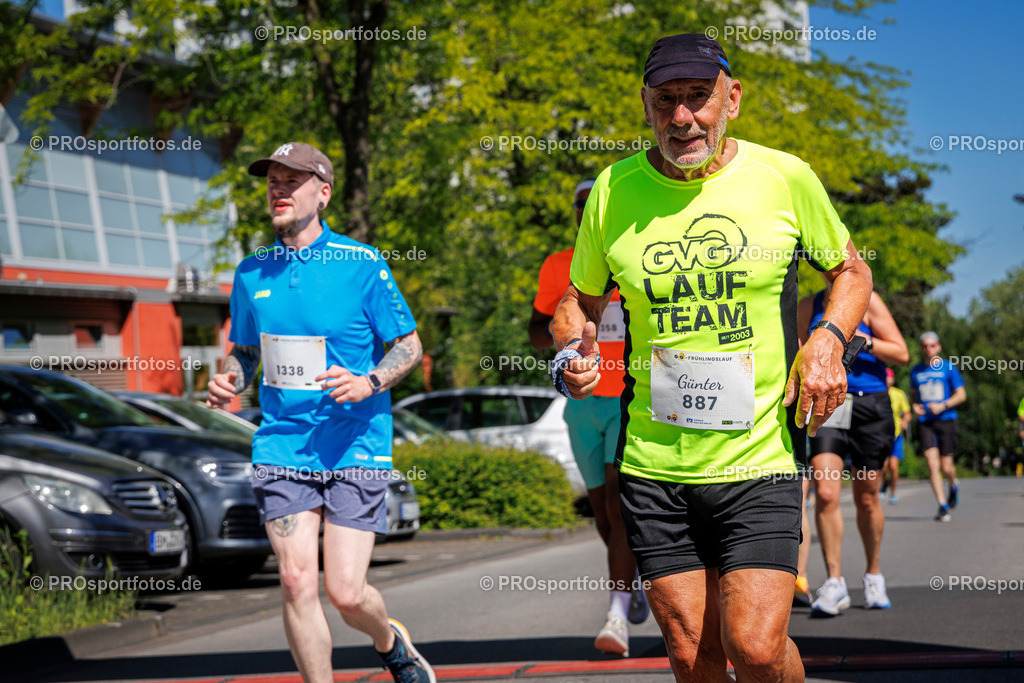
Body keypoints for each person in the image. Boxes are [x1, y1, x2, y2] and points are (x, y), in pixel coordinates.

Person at [549, 33, 873, 681]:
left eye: (698, 98)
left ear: (733, 99)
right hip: (654, 466)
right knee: (693, 654)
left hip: (758, 459)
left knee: (754, 646)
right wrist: (569, 356)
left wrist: (829, 338)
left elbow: (851, 271)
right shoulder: (614, 190)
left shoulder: (783, 176)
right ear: (645, 106)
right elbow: (573, 302)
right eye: (666, 100)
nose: (682, 117)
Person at [206, 142, 434, 683]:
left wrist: (368, 381)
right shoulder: (251, 272)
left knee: (347, 593)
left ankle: (389, 640)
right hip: (283, 445)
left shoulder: (361, 265)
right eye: (272, 181)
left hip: (355, 441)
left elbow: (409, 346)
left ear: (323, 193)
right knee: (295, 582)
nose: (278, 189)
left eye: (293, 180)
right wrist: (229, 382)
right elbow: (245, 350)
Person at [528, 179, 649, 657]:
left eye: (593, 204)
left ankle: (616, 615)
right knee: (602, 514)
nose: (586, 212)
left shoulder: (635, 253)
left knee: (620, 508)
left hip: (630, 396)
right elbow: (536, 330)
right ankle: (632, 580)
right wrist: (567, 325)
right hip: (581, 401)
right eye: (579, 205)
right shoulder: (559, 265)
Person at [798, 285, 908, 616]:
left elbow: (901, 353)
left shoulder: (869, 299)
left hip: (870, 405)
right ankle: (834, 582)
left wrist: (866, 342)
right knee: (827, 493)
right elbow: (798, 351)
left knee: (867, 497)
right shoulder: (810, 304)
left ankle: (873, 573)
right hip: (830, 403)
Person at [909, 332, 966, 522]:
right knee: (931, 463)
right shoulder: (916, 371)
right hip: (926, 422)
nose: (929, 349)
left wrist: (944, 405)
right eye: (925, 346)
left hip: (946, 419)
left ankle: (952, 483)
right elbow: (913, 394)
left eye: (932, 345)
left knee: (946, 465)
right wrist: (915, 406)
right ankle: (942, 505)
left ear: (938, 347)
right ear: (922, 348)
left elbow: (961, 395)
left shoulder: (949, 368)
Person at [881, 368, 911, 504]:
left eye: (889, 378)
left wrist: (904, 421)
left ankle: (893, 492)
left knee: (893, 466)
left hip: (896, 434)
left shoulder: (898, 394)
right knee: (883, 466)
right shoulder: (878, 392)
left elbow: (907, 412)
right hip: (881, 434)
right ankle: (885, 484)